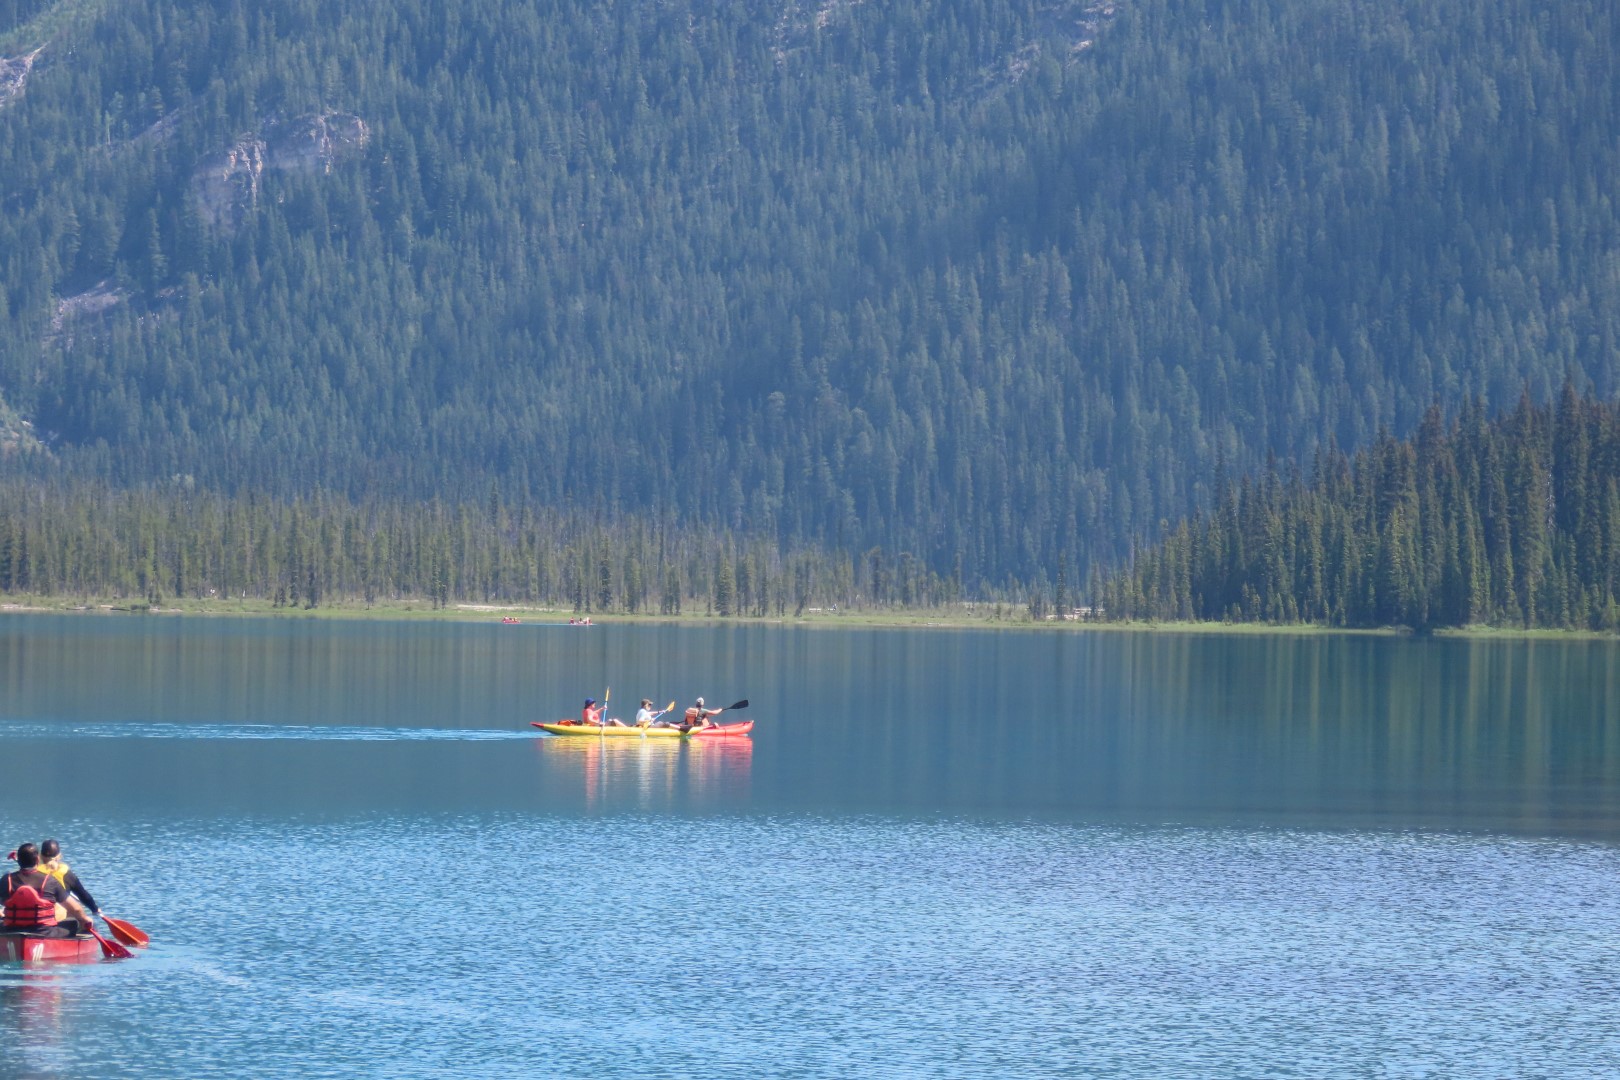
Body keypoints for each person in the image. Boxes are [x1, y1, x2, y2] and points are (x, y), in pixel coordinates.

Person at [2, 844, 90, 938]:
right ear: (37, 860)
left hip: (12, 931)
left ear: (18, 860)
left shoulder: (6, 880)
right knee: (73, 923)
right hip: (44, 932)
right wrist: (85, 920)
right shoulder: (50, 881)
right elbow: (76, 909)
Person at [39, 839, 103, 928]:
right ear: (59, 856)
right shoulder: (66, 873)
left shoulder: (35, 872)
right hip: (58, 918)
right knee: (85, 920)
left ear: (40, 856)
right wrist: (95, 908)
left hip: (39, 917)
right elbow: (82, 894)